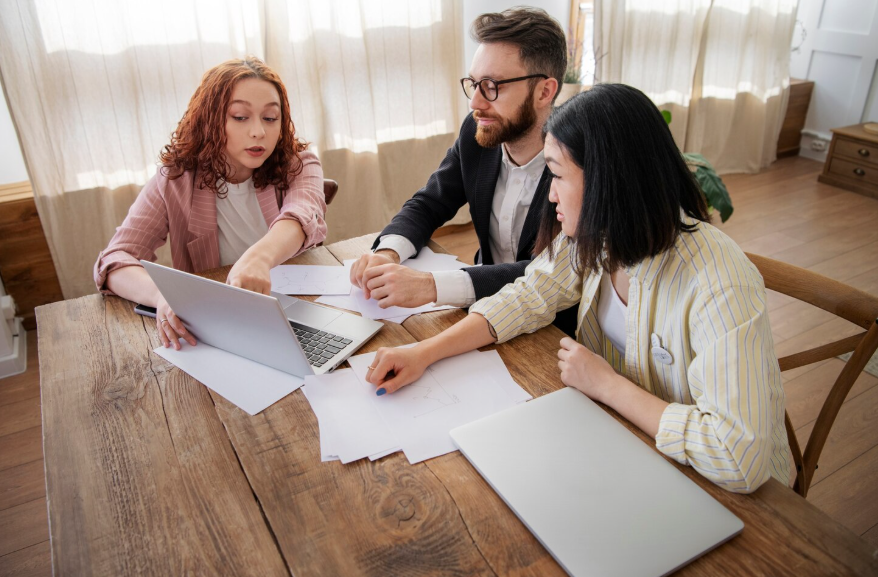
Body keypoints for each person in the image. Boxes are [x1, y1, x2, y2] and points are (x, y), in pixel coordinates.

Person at [364, 85, 792, 494]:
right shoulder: (597, 235)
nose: (550, 195)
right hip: (621, 442)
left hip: (724, 490)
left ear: (610, 181)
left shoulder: (719, 281)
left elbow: (738, 456)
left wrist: (607, 385)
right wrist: (423, 353)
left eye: (556, 175)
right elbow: (527, 296)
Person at [349, 7, 578, 335]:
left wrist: (432, 286)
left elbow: (549, 274)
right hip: (478, 310)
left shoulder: (574, 166)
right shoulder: (477, 135)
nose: (475, 102)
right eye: (473, 84)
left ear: (545, 91)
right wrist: (387, 253)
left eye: (492, 86)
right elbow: (429, 203)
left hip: (551, 327)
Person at [95, 57, 326, 350]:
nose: (259, 132)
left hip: (296, 315)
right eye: (240, 117)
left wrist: (258, 260)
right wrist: (163, 297)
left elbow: (302, 216)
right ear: (211, 119)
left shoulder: (301, 164)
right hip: (216, 328)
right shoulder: (176, 179)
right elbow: (114, 261)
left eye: (270, 118)